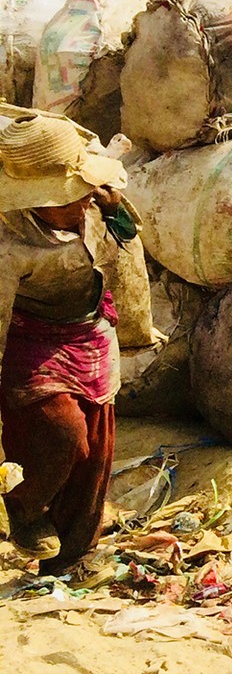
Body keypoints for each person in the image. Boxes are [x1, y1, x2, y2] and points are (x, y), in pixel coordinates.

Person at [0, 115, 140, 573]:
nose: (82, 204)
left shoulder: (93, 208)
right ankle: (24, 506)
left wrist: (116, 209)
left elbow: (128, 239)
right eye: (69, 198)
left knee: (96, 454)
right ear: (35, 201)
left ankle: (72, 558)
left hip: (92, 336)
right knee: (65, 435)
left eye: (84, 193)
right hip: (33, 344)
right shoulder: (10, 245)